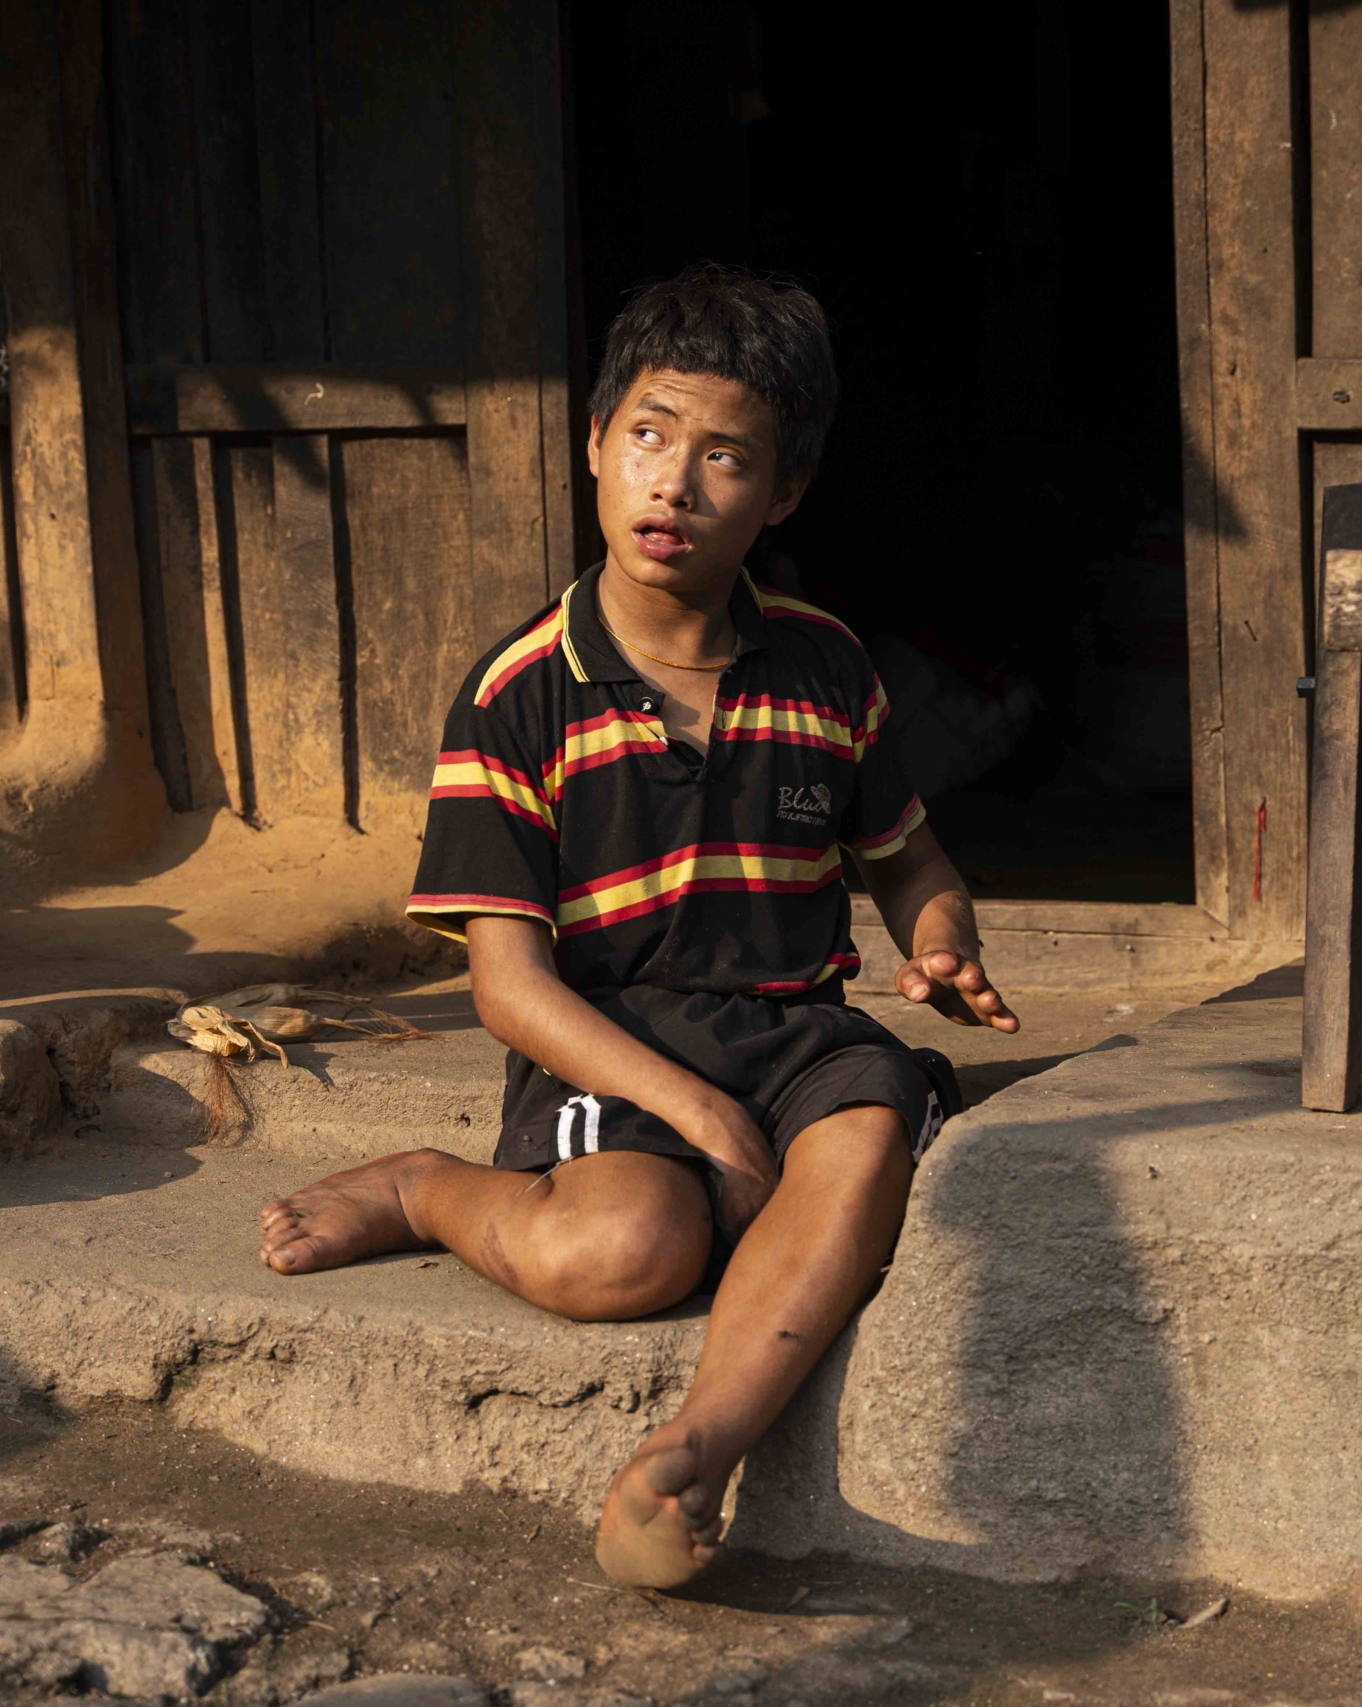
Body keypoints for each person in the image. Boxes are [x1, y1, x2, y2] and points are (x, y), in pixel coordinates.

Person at [255, 265, 1018, 1590]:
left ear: (780, 494)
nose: (676, 482)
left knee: (865, 1140)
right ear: (597, 444)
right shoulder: (519, 694)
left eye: (726, 456)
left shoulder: (826, 666)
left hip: (795, 1032)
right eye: (652, 437)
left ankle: (693, 1456)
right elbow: (508, 986)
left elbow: (910, 862)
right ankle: (425, 1188)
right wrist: (708, 1120)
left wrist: (940, 938)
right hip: (606, 1038)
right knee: (624, 1254)